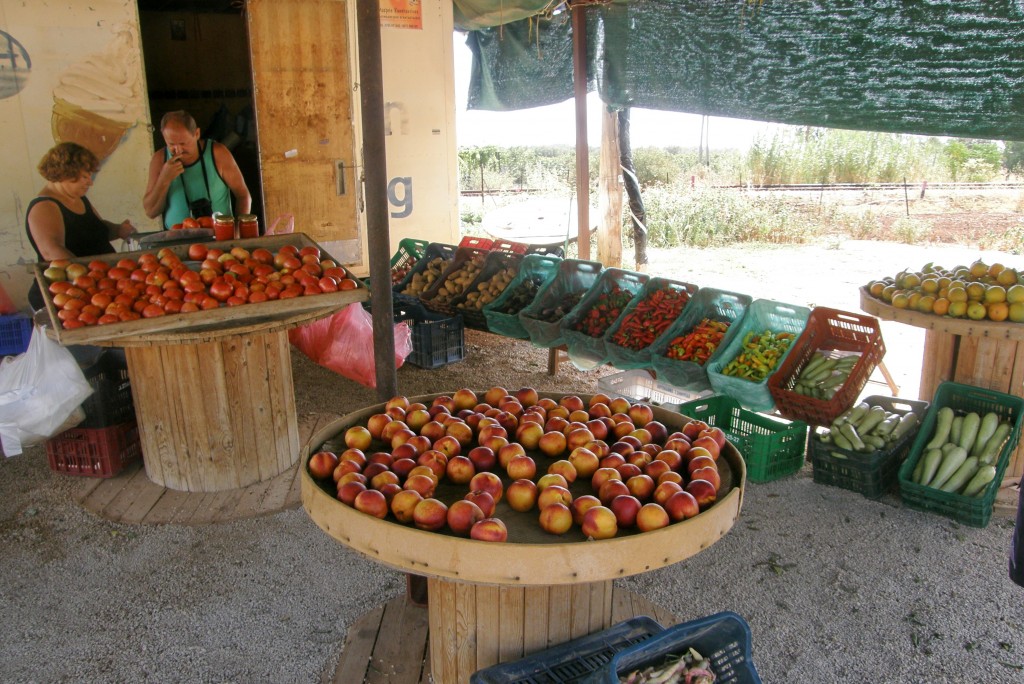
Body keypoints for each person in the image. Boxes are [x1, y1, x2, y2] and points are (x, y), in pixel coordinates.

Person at [25, 142, 137, 311]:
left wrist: (118, 229)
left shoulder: (78, 198)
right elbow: (52, 252)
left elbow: (96, 229)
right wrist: (91, 279)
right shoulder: (44, 206)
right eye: (84, 177)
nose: (90, 183)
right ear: (64, 174)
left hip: (96, 289)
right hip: (66, 297)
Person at [143, 110, 251, 230]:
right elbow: (151, 212)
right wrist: (164, 179)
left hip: (221, 236)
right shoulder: (160, 159)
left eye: (183, 143)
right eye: (171, 144)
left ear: (197, 134)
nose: (178, 150)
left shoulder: (218, 153)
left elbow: (243, 196)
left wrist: (238, 231)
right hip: (177, 238)